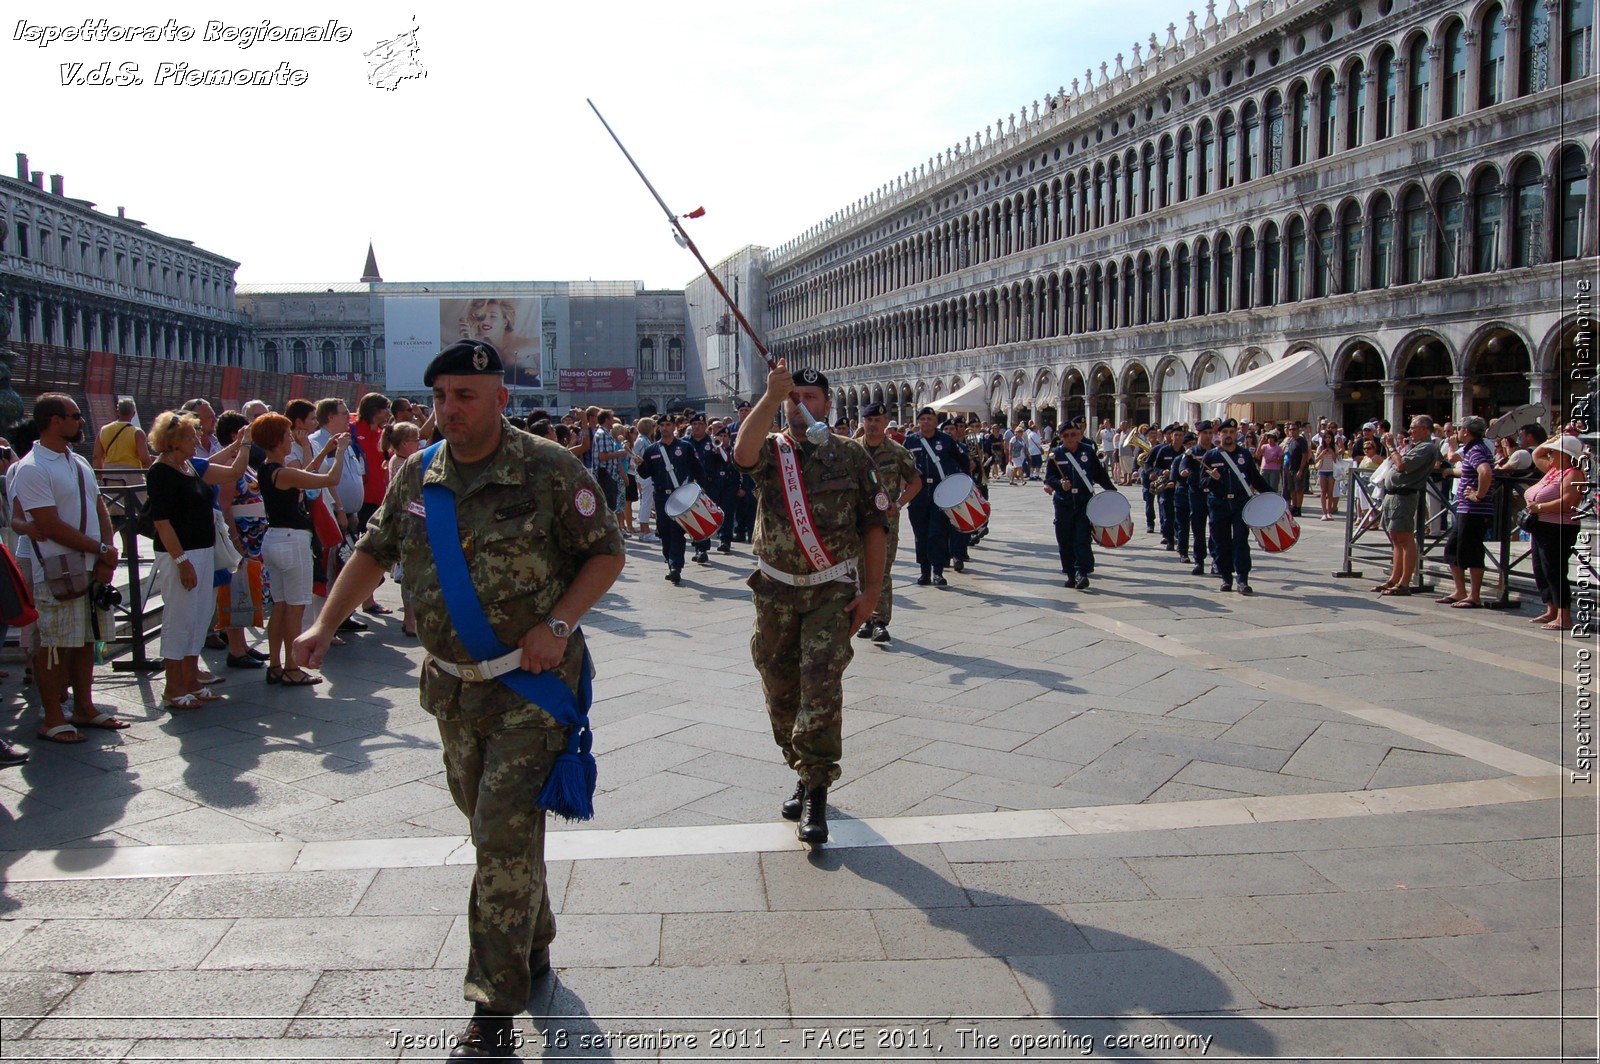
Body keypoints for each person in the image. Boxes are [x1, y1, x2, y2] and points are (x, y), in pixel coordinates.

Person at [296, 338, 624, 1058]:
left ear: (500, 398)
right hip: (452, 688)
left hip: (532, 688)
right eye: (440, 396)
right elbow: (373, 550)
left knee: (499, 833)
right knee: (492, 831)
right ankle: (530, 942)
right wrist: (324, 622)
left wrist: (558, 623)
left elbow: (606, 550)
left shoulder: (547, 468)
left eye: (465, 395)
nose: (449, 409)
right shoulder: (417, 474)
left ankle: (492, 1013)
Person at [731, 362, 886, 846]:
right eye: (793, 396)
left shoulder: (852, 456)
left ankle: (817, 788)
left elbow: (874, 526)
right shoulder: (772, 451)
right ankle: (800, 767)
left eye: (810, 397)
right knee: (780, 691)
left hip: (831, 591)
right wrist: (769, 398)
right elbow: (741, 451)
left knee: (820, 688)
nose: (802, 403)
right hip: (775, 591)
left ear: (828, 404)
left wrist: (872, 592)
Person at [10, 394, 126, 743]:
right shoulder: (32, 467)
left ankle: (84, 707)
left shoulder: (78, 462)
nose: (81, 421)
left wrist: (107, 552)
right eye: (75, 416)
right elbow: (50, 525)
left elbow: (99, 507)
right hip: (58, 568)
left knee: (85, 640)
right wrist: (100, 548)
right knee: (55, 645)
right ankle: (53, 717)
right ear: (54, 421)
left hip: (90, 564)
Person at [146, 411, 252, 709]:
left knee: (200, 614)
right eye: (191, 436)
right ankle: (173, 687)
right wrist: (182, 562)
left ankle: (191, 680)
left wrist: (243, 444)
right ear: (174, 440)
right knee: (179, 618)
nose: (197, 440)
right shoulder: (160, 472)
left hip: (204, 549)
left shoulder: (191, 466)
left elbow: (233, 473)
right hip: (180, 553)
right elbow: (162, 522)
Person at [256, 413, 348, 685]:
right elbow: (330, 479)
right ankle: (291, 667)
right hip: (292, 540)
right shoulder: (283, 472)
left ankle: (275, 664)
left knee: (281, 606)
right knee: (295, 608)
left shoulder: (268, 469)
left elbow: (304, 474)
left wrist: (325, 451)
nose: (290, 439)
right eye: (286, 436)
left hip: (274, 537)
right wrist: (340, 452)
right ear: (276, 440)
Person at [855, 401, 920, 644]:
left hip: (884, 522)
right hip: (857, 520)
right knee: (860, 570)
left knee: (882, 569)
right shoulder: (853, 449)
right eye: (869, 420)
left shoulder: (896, 451)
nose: (873, 425)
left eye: (878, 421)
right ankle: (866, 619)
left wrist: (899, 504)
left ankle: (881, 621)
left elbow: (915, 483)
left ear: (886, 423)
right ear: (863, 421)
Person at [1372, 416, 1442, 597]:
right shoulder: (1416, 446)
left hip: (1404, 496)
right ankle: (1395, 578)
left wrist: (1393, 447)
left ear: (1426, 430)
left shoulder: (1427, 448)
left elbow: (1402, 465)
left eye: (1413, 428)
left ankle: (1404, 582)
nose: (1410, 431)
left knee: (1404, 538)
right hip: (1393, 495)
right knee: (1395, 538)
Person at [1523, 434, 1587, 631]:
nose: (1549, 454)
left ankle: (1564, 615)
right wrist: (1552, 440)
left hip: (1559, 526)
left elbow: (1569, 502)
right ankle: (1551, 609)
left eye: (1554, 451)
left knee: (1554, 570)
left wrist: (1540, 507)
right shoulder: (1553, 470)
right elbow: (1537, 454)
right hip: (1541, 525)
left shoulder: (1573, 473)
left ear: (1565, 454)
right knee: (1540, 568)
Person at [1202, 418, 1272, 595]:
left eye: (1231, 432)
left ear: (1236, 435)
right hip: (1218, 502)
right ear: (1220, 434)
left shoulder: (1244, 455)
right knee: (1221, 542)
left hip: (1240, 502)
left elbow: (1255, 478)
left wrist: (1273, 495)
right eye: (1225, 432)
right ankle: (1226, 577)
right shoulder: (1211, 455)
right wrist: (1212, 479)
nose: (1228, 435)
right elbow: (1199, 482)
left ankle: (1242, 579)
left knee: (1240, 540)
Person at [1044, 419, 1114, 590]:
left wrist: (1112, 492)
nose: (1070, 438)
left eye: (1073, 435)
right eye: (1065, 435)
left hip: (1084, 501)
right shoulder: (1056, 454)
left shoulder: (1088, 451)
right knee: (1065, 539)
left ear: (1079, 435)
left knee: (1082, 538)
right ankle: (1070, 573)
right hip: (1063, 503)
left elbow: (1099, 474)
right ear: (1060, 437)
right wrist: (1060, 484)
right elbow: (1049, 478)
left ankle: (1081, 572)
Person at [635, 417, 702, 585]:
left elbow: (697, 469)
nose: (664, 428)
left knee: (677, 531)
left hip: (680, 495)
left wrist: (699, 491)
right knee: (664, 531)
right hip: (661, 496)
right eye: (662, 425)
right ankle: (669, 560)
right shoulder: (652, 450)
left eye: (668, 425)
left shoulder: (685, 447)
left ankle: (675, 566)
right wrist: (640, 465)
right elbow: (644, 474)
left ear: (674, 427)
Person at [1439, 415, 1496, 609]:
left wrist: (1478, 495)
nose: (1457, 432)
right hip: (1466, 508)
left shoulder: (1477, 449)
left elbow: (1485, 471)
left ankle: (1474, 595)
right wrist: (1451, 472)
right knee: (1453, 548)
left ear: (1466, 432)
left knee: (1472, 550)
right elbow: (1469, 470)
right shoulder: (1474, 449)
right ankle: (1460, 591)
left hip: (1474, 510)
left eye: (1460, 429)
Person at [905, 407, 965, 587]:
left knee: (937, 533)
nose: (926, 422)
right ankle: (924, 571)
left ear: (935, 421)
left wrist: (962, 486)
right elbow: (901, 467)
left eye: (929, 418)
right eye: (922, 419)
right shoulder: (910, 441)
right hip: (919, 494)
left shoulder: (946, 440)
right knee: (920, 534)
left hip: (940, 494)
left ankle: (938, 571)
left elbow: (962, 462)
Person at [1175, 422, 1214, 571]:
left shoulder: (1216, 452)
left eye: (1210, 433)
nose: (1208, 436)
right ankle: (1199, 561)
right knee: (1198, 529)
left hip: (1213, 494)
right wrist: (1185, 471)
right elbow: (1182, 466)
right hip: (1196, 494)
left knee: (1215, 529)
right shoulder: (1191, 452)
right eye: (1205, 433)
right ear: (1199, 434)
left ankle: (1216, 560)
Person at [92, 398, 154, 478]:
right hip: (132, 475)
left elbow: (96, 456)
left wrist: (99, 477)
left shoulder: (103, 430)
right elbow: (145, 460)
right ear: (133, 413)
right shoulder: (137, 433)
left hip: (109, 475)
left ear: (117, 411)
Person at [1281, 422, 1309, 516]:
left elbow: (1305, 456)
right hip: (1290, 468)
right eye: (1290, 429)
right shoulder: (1290, 441)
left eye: (1294, 429)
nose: (1292, 431)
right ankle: (1294, 506)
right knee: (1292, 489)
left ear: (1298, 430)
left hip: (1298, 468)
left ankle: (1298, 508)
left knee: (1299, 490)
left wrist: (1301, 470)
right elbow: (1288, 455)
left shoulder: (1302, 441)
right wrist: (1287, 467)